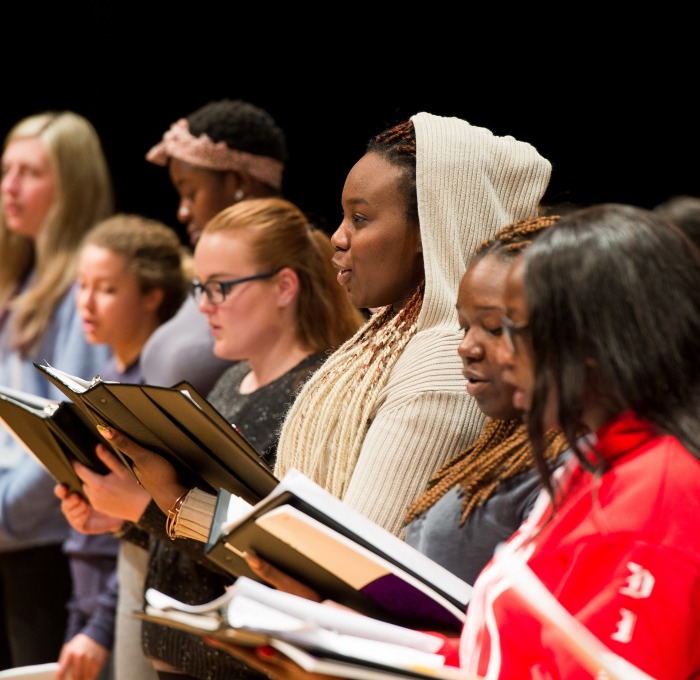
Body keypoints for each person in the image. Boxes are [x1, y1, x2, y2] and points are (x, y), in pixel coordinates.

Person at [209, 202, 700, 680]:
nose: (502, 356)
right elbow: (499, 654)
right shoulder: (600, 463)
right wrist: (348, 642)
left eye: (514, 330)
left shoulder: (662, 489)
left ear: (594, 341)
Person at [116, 112, 554, 554]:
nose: (338, 238)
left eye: (360, 219)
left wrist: (177, 501)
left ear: (430, 228)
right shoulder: (387, 333)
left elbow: (349, 564)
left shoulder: (441, 365)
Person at [59, 196, 365, 680]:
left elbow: (267, 557)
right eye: (200, 287)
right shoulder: (230, 380)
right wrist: (117, 516)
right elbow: (191, 528)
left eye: (221, 287)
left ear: (285, 287)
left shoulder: (315, 395)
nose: (203, 305)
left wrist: (145, 509)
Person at [0, 111, 113, 669]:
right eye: (6, 171)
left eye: (30, 172)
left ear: (71, 186)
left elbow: (61, 423)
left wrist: (4, 508)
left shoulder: (84, 295)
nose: (10, 187)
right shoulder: (18, 283)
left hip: (48, 539)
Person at [54, 214, 188, 680]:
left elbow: (147, 534)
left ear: (152, 296)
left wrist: (100, 628)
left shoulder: (150, 398)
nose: (85, 303)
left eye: (106, 289)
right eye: (81, 285)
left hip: (124, 617)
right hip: (90, 608)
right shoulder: (103, 385)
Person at [140, 98, 289, 393]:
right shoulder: (209, 265)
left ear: (239, 183)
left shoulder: (288, 269)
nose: (182, 212)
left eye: (191, 193)